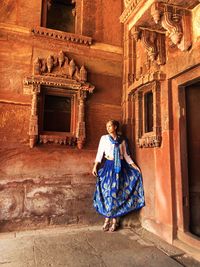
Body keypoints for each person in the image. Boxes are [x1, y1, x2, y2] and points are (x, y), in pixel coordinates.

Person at [92, 119, 145, 232]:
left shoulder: (122, 141)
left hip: (120, 168)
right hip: (108, 167)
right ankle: (107, 219)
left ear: (115, 127)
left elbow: (126, 156)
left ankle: (115, 222)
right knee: (108, 194)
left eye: (110, 126)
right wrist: (95, 166)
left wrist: (134, 166)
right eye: (107, 126)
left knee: (116, 193)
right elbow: (100, 152)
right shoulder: (104, 139)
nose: (108, 128)